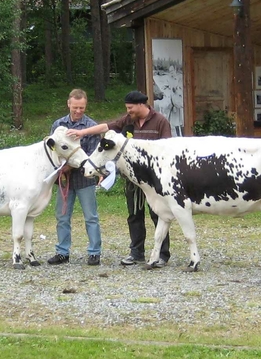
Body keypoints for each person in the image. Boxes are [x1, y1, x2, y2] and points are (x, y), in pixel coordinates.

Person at [70, 89, 173, 267]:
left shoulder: (160, 121)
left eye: (130, 107)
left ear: (142, 105)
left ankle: (163, 254)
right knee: (134, 215)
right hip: (133, 179)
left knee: (158, 215)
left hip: (155, 181)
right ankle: (137, 253)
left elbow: (168, 149)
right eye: (127, 108)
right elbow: (106, 127)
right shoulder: (128, 120)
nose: (128, 111)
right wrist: (83, 132)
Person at [47, 89, 102, 266]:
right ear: (68, 104)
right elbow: (52, 151)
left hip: (85, 178)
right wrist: (60, 170)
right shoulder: (58, 125)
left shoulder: (91, 126)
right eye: (75, 107)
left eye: (82, 108)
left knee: (90, 217)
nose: (78, 111)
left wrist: (68, 167)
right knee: (62, 216)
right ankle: (62, 251)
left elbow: (92, 155)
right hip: (64, 180)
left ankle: (94, 252)